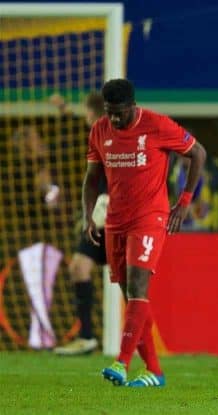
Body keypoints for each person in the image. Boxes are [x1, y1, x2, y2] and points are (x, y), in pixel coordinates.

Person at [83, 79, 206, 387]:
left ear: (133, 106)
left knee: (139, 286)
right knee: (131, 296)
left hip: (150, 217)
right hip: (115, 221)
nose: (114, 119)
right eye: (110, 112)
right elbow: (92, 177)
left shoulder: (156, 124)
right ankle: (154, 370)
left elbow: (198, 153)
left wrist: (184, 202)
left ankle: (122, 362)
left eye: (120, 113)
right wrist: (88, 216)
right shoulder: (99, 130)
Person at [53, 92, 108, 355]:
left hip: (118, 215)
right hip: (101, 215)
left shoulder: (114, 136)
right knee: (78, 267)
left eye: (87, 113)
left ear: (94, 113)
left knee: (128, 281)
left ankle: (139, 337)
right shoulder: (96, 137)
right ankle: (86, 337)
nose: (85, 118)